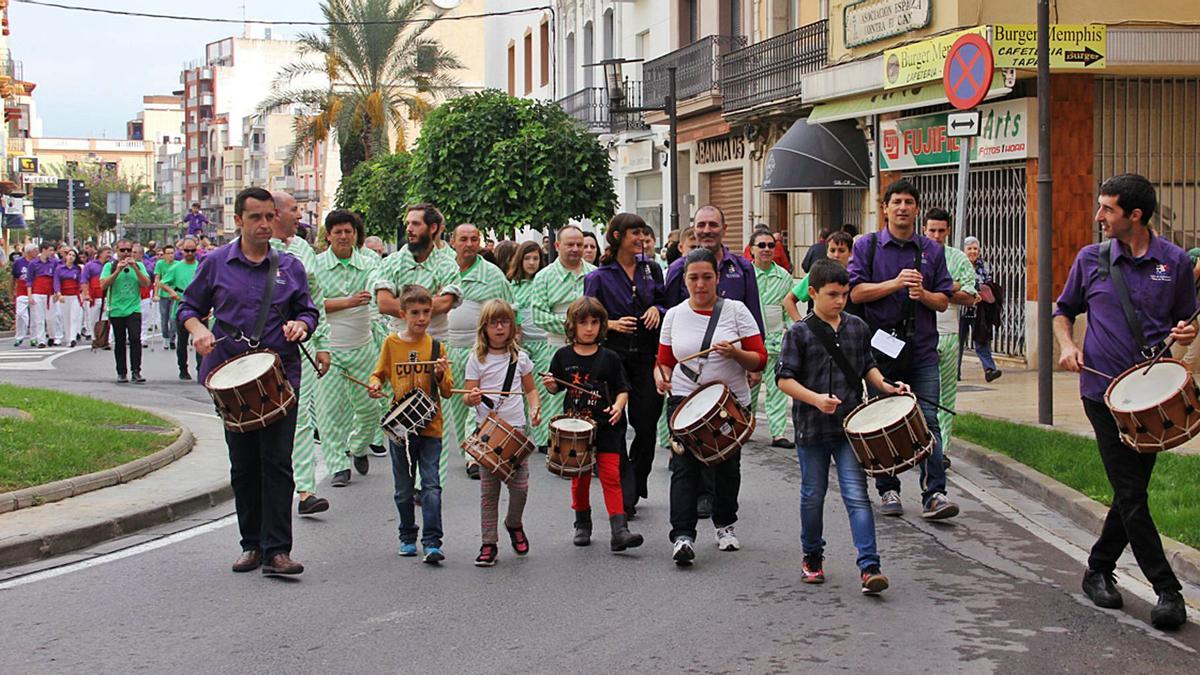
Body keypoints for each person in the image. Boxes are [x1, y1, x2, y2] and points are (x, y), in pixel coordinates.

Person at [1053, 173, 1191, 631]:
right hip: (1101, 394)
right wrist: (1067, 345)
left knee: (1129, 493)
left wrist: (1185, 339)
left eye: (1107, 209)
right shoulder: (1090, 259)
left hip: (1150, 399)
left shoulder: (1172, 262)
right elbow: (1062, 310)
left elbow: (1182, 328)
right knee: (1132, 493)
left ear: (1135, 215)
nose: (1098, 217)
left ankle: (1097, 568)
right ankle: (1168, 590)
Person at [179, 187, 319, 576]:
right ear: (238, 220)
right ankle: (251, 544)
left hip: (279, 377)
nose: (264, 224)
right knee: (243, 466)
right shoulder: (215, 263)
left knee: (277, 464)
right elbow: (188, 307)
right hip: (230, 379)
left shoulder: (289, 267)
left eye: (269, 217)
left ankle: (278, 550)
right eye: (255, 217)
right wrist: (197, 330)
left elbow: (308, 312)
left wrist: (300, 326)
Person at [777, 259, 905, 594]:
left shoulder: (857, 327)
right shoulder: (799, 332)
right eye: (832, 294)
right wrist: (815, 399)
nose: (839, 301)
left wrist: (887, 386)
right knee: (812, 495)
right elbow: (784, 380)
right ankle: (812, 557)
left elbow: (867, 366)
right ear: (814, 293)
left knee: (857, 496)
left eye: (844, 295)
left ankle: (870, 565)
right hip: (811, 427)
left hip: (849, 426)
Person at [848, 179, 958, 520]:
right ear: (885, 208)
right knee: (882, 421)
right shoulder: (866, 246)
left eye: (909, 202)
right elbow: (854, 293)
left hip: (922, 349)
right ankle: (888, 489)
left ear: (916, 208)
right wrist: (893, 284)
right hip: (880, 352)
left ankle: (934, 494)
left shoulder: (931, 251)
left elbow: (943, 301)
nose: (902, 207)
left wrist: (921, 294)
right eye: (896, 201)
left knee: (929, 421)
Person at [654, 248, 767, 566]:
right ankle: (682, 536)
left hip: (728, 402)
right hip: (684, 399)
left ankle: (725, 525)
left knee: (727, 467)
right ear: (685, 280)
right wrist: (660, 377)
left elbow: (759, 358)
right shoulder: (674, 315)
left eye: (707, 277)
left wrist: (735, 354)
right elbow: (664, 362)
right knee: (684, 468)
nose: (700, 284)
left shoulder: (736, 311)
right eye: (693, 278)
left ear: (717, 278)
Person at [664, 205, 764, 519]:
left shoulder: (742, 267)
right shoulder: (677, 267)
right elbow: (670, 320)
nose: (707, 230)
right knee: (691, 455)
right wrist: (661, 370)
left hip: (730, 378)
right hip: (689, 383)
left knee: (725, 451)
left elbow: (753, 313)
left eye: (713, 225)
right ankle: (699, 502)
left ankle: (720, 510)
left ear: (723, 227)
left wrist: (751, 365)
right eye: (701, 225)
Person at [544, 297, 642, 552]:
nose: (589, 328)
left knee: (611, 475)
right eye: (583, 322)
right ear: (571, 326)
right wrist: (551, 385)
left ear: (602, 325)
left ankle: (619, 530)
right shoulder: (562, 356)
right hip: (576, 431)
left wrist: (619, 407)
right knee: (581, 477)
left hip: (607, 426)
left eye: (595, 322)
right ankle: (582, 523)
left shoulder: (609, 357)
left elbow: (622, 389)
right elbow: (556, 386)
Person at [585, 213, 666, 517]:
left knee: (646, 425)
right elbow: (587, 318)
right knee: (615, 427)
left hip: (647, 356)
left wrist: (657, 310)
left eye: (644, 233)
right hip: (612, 359)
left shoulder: (652, 270)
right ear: (618, 236)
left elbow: (666, 302)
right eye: (635, 233)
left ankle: (637, 476)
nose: (641, 238)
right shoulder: (598, 276)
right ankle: (626, 490)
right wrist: (613, 324)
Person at [373, 204, 463, 480]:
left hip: (435, 344)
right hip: (398, 346)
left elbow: (447, 303)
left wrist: (409, 306)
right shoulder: (392, 262)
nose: (409, 229)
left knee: (436, 413)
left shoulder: (447, 263)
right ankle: (405, 478)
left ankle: (432, 484)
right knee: (399, 407)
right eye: (408, 223)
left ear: (433, 228)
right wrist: (426, 305)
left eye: (416, 224)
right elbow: (383, 302)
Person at [299, 210, 379, 516]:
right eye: (338, 232)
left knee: (369, 407)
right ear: (328, 236)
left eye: (349, 231)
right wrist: (346, 302)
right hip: (328, 347)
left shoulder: (370, 263)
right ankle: (338, 465)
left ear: (356, 235)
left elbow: (376, 294)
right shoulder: (316, 266)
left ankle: (358, 446)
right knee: (329, 412)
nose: (344, 236)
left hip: (363, 347)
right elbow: (312, 306)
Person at [367, 284, 454, 564]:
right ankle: (407, 536)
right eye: (415, 313)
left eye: (426, 312)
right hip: (400, 430)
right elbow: (378, 373)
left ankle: (432, 542)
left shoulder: (438, 347)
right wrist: (374, 384)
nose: (421, 318)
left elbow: (449, 391)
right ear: (403, 313)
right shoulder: (391, 344)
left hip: (431, 427)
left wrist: (441, 375)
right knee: (403, 488)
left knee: (431, 485)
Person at [463, 299, 541, 567]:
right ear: (484, 327)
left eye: (504, 322)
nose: (499, 327)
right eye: (493, 322)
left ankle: (514, 522)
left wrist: (535, 408)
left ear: (511, 327)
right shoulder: (476, 359)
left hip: (515, 431)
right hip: (488, 433)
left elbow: (530, 390)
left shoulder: (521, 359)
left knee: (520, 487)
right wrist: (472, 398)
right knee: (489, 492)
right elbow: (467, 395)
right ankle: (488, 543)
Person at [269, 191, 334, 502]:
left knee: (301, 417)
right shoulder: (250, 250)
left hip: (298, 349)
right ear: (275, 213)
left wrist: (322, 344)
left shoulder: (304, 250)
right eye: (294, 209)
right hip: (258, 353)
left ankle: (305, 490)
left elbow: (315, 300)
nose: (299, 215)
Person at [444, 223, 515, 480]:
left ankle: (474, 456)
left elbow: (509, 309)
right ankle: (466, 445)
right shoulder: (443, 270)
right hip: (448, 350)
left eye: (475, 239)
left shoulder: (493, 275)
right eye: (464, 239)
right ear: (453, 242)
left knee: (476, 403)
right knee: (456, 406)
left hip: (480, 350)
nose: (470, 244)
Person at [531, 225, 595, 453]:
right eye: (570, 244)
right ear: (557, 245)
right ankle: (559, 451)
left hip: (591, 348)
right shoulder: (544, 276)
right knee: (555, 400)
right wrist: (574, 327)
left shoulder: (594, 273)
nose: (576, 249)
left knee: (589, 400)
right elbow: (538, 315)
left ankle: (587, 449)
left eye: (580, 244)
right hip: (557, 347)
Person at [922, 209, 977, 467]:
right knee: (922, 392)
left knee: (947, 395)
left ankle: (941, 449)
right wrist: (949, 287)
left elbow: (970, 295)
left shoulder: (957, 258)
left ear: (948, 231)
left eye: (941, 231)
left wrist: (939, 292)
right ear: (924, 230)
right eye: (931, 230)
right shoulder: (915, 254)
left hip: (949, 334)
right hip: (920, 334)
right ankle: (921, 443)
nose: (936, 235)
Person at [747, 227, 796, 448]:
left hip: (776, 342)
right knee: (748, 388)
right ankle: (744, 427)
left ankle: (778, 433)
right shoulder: (745, 274)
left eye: (770, 245)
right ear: (752, 250)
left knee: (776, 389)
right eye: (762, 245)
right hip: (750, 343)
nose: (767, 250)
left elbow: (787, 310)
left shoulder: (784, 276)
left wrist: (794, 333)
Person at [508, 239, 551, 451]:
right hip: (520, 343)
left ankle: (543, 437)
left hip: (542, 341)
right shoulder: (511, 285)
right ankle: (521, 433)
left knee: (540, 389)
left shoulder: (543, 282)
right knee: (520, 390)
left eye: (536, 258)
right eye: (528, 258)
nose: (532, 263)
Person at [100, 240, 150, 383]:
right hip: (116, 309)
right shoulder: (109, 266)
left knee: (135, 338)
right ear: (117, 251)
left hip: (134, 308)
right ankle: (121, 372)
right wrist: (117, 271)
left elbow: (146, 283)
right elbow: (103, 285)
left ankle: (136, 371)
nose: (126, 253)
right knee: (120, 341)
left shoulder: (139, 265)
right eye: (123, 250)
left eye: (129, 250)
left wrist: (135, 268)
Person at [959, 236, 1003, 382]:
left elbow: (987, 282)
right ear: (963, 250)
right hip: (962, 309)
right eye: (969, 249)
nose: (972, 252)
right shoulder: (959, 263)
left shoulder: (984, 266)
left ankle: (990, 369)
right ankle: (954, 372)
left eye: (975, 248)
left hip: (979, 310)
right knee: (958, 342)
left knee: (982, 339)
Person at [785, 232, 854, 320]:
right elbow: (789, 300)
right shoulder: (817, 273)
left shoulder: (857, 274)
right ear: (827, 252)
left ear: (850, 252)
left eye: (841, 251)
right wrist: (801, 324)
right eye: (832, 250)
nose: (836, 255)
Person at [160, 239, 201, 379]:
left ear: (197, 250)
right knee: (182, 341)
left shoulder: (201, 266)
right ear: (182, 251)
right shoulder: (176, 268)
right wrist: (172, 292)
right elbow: (163, 283)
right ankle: (183, 369)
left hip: (199, 305)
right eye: (187, 250)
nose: (189, 253)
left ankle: (201, 368)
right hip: (182, 305)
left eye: (192, 250)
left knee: (200, 339)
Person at [52, 248, 85, 347]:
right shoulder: (59, 269)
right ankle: (67, 338)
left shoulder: (77, 269)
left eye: (73, 256)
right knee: (65, 317)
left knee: (74, 317)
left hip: (74, 296)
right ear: (66, 256)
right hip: (64, 296)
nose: (71, 257)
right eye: (69, 255)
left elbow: (80, 282)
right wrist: (59, 294)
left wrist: (82, 293)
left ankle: (72, 338)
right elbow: (56, 282)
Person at [29, 243, 60, 349]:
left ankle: (52, 335)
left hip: (50, 293)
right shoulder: (33, 263)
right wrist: (30, 295)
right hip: (38, 292)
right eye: (50, 250)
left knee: (51, 317)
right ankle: (41, 340)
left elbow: (56, 278)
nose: (52, 253)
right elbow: (29, 280)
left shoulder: (54, 262)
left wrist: (57, 291)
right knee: (39, 318)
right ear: (44, 250)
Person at [81, 245, 111, 342]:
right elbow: (84, 280)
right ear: (100, 254)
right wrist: (86, 294)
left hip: (107, 296)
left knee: (106, 319)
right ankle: (95, 338)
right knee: (93, 319)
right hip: (94, 297)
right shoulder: (90, 265)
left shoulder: (111, 265)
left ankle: (105, 339)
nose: (109, 255)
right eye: (107, 253)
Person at [11, 244, 35, 347]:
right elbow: (13, 278)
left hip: (35, 291)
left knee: (35, 316)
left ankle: (34, 337)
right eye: (35, 251)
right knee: (20, 314)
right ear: (29, 252)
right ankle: (19, 337)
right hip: (21, 291)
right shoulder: (18, 262)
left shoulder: (37, 262)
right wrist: (11, 292)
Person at [154, 244, 177, 350]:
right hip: (163, 294)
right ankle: (165, 337)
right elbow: (157, 279)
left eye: (172, 253)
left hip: (174, 295)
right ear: (164, 255)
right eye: (168, 253)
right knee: (164, 317)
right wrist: (156, 294)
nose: (170, 255)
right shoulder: (160, 264)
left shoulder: (178, 264)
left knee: (173, 318)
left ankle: (172, 338)